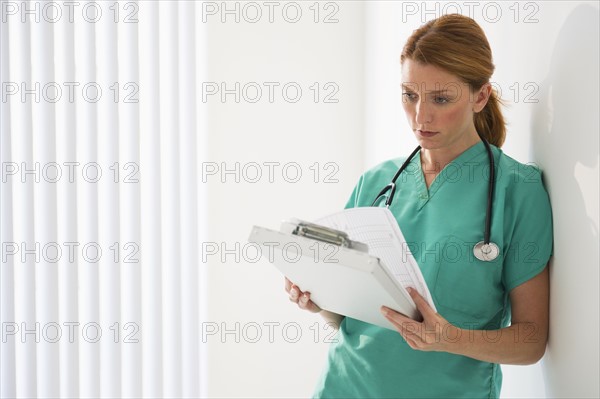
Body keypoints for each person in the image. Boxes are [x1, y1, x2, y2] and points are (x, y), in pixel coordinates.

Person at [284, 13, 553, 398]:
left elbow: (531, 340)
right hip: (344, 386)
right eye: (410, 95)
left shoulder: (518, 191)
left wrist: (449, 338)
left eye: (441, 98)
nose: (420, 116)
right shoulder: (376, 184)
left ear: (480, 96)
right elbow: (350, 319)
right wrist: (317, 301)